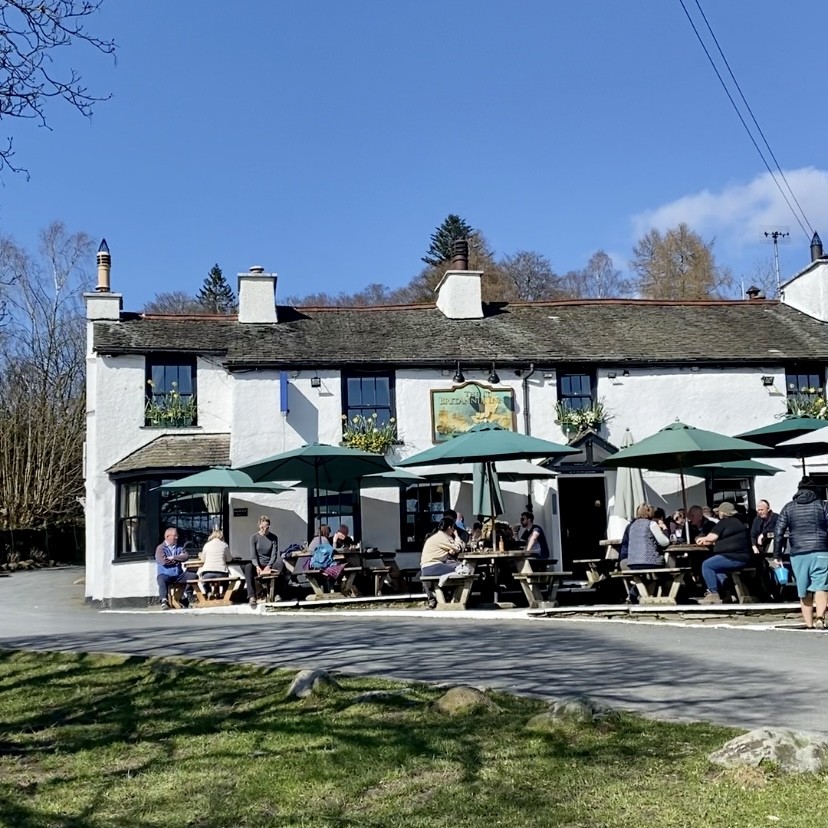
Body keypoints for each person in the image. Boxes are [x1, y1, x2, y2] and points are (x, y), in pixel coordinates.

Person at [773, 478, 828, 629]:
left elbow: (778, 532)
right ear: (814, 490)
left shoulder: (788, 508)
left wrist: (777, 555)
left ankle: (809, 624)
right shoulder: (822, 505)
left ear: (798, 490)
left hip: (798, 552)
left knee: (803, 589)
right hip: (821, 550)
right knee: (821, 585)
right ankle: (820, 618)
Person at [694, 502, 753, 604]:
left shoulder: (724, 522)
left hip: (733, 557)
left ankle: (713, 593)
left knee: (707, 565)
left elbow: (711, 537)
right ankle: (729, 594)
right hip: (744, 557)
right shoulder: (738, 522)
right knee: (717, 568)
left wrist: (701, 539)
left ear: (722, 512)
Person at [420, 516, 465, 609]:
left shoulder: (437, 536)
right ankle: (456, 599)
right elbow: (457, 548)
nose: (453, 530)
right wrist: (457, 536)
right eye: (453, 528)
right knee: (463, 572)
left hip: (426, 567)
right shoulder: (442, 537)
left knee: (457, 568)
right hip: (432, 566)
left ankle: (447, 597)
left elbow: (451, 549)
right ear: (449, 527)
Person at [245, 515, 286, 608]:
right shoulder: (254, 538)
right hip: (258, 565)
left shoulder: (273, 538)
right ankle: (251, 596)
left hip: (269, 564)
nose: (264, 529)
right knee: (248, 567)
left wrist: (269, 566)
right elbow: (253, 555)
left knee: (281, 564)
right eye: (262, 527)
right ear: (259, 526)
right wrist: (257, 566)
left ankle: (276, 594)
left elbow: (274, 554)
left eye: (267, 527)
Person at [155, 526, 196, 610]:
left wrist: (173, 557)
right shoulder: (160, 548)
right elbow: (164, 561)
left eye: (177, 535)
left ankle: (187, 594)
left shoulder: (179, 547)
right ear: (167, 537)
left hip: (179, 575)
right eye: (174, 536)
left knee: (193, 576)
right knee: (161, 579)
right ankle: (164, 601)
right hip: (165, 574)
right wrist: (177, 559)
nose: (177, 537)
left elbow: (185, 557)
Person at [626, 503, 670, 568]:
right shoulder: (651, 524)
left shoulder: (632, 526)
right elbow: (665, 542)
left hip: (632, 563)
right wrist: (665, 528)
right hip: (651, 562)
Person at [197, 528, 233, 599]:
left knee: (204, 581)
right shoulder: (224, 545)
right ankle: (223, 594)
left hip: (207, 573)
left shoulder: (206, 545)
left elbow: (203, 560)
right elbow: (229, 559)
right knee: (226, 582)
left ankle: (208, 592)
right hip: (221, 572)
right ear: (221, 536)